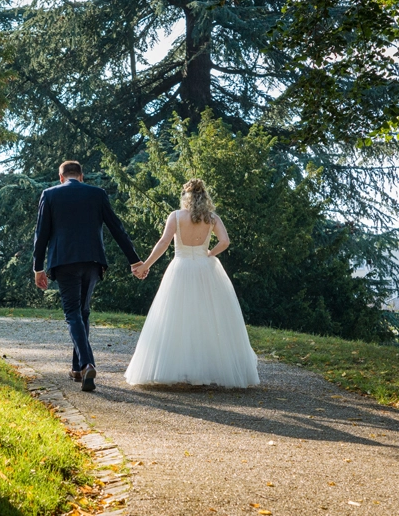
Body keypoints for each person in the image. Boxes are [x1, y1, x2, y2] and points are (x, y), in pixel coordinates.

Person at [124, 179, 259, 388]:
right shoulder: (212, 218)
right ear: (204, 197)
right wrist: (209, 253)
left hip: (180, 268)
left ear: (185, 196)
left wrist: (145, 265)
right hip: (205, 270)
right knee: (207, 317)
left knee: (176, 317)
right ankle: (206, 369)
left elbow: (163, 243)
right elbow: (225, 241)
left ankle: (179, 370)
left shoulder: (176, 217)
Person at [33, 160, 146, 392]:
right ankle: (77, 369)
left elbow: (41, 233)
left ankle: (86, 363)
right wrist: (134, 259)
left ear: (61, 176)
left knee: (73, 312)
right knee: (83, 311)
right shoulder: (97, 194)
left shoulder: (50, 194)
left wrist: (38, 267)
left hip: (64, 262)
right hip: (93, 261)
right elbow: (117, 228)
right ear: (81, 176)